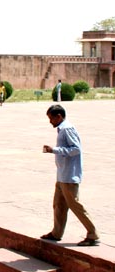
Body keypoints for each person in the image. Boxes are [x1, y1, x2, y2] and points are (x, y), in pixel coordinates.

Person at [40, 104, 100, 247]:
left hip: (69, 176)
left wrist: (54, 150)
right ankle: (56, 233)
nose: (50, 122)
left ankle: (92, 233)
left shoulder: (67, 129)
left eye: (51, 119)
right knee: (58, 205)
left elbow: (75, 149)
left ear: (59, 116)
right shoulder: (62, 129)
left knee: (75, 205)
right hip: (62, 175)